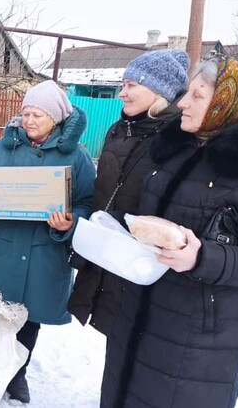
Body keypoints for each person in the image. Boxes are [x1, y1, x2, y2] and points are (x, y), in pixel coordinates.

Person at [100, 55, 238, 408]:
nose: (183, 102)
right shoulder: (175, 150)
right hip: (138, 313)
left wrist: (203, 257)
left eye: (198, 95)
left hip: (201, 339)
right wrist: (115, 227)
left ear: (227, 103)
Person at [0, 80, 96, 404]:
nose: (30, 120)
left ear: (56, 118)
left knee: (29, 318)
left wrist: (71, 221)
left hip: (43, 253)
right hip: (1, 248)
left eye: (38, 114)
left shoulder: (77, 158)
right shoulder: (2, 148)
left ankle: (17, 373)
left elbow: (87, 201)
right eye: (26, 113)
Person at [67, 49, 190, 335]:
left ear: (159, 90)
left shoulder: (178, 138)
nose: (122, 93)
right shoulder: (120, 130)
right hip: (110, 253)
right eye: (123, 85)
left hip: (144, 263)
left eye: (131, 85)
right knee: (115, 339)